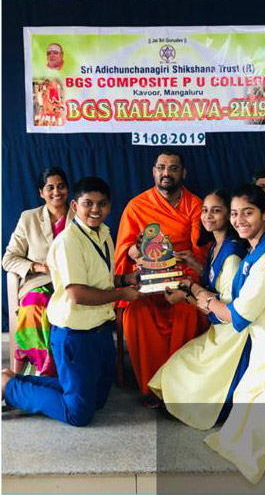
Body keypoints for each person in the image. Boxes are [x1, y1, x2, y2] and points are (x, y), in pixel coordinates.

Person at [152, 184, 265, 484]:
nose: (239, 220)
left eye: (247, 213)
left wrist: (202, 298)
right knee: (241, 429)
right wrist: (199, 293)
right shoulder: (254, 249)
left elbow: (238, 315)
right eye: (235, 214)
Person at [1, 177, 141, 426]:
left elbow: (100, 280)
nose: (95, 209)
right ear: (75, 206)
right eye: (88, 203)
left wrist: (124, 279)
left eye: (102, 204)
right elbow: (77, 294)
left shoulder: (104, 234)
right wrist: (123, 295)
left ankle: (17, 380)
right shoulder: (68, 241)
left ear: (109, 207)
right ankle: (9, 386)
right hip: (75, 335)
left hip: (101, 331)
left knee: (98, 400)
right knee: (79, 415)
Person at [148, 190, 249, 429]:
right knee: (179, 363)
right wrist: (194, 265)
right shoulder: (217, 245)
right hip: (220, 327)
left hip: (231, 334)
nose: (208, 216)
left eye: (216, 211)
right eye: (204, 210)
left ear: (230, 215)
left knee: (186, 367)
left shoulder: (232, 255)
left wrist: (185, 296)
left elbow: (225, 311)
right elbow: (214, 281)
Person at [114, 150, 208, 403]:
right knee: (137, 315)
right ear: (154, 172)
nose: (167, 173)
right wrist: (139, 253)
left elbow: (199, 251)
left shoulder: (195, 205)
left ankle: (179, 387)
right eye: (161, 167)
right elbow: (124, 249)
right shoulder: (137, 206)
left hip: (182, 278)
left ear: (183, 173)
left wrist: (183, 275)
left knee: (187, 312)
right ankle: (151, 388)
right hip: (146, 279)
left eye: (173, 168)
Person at [2, 168, 74, 376]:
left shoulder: (80, 215)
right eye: (50, 188)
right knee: (35, 307)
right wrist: (37, 267)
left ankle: (62, 371)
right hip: (39, 282)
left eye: (61, 186)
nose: (56, 192)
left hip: (72, 281)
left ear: (67, 189)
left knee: (72, 307)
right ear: (41, 192)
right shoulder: (29, 218)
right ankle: (45, 371)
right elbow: (9, 259)